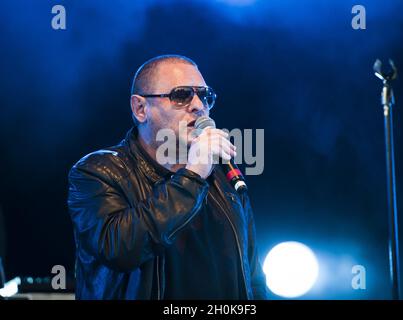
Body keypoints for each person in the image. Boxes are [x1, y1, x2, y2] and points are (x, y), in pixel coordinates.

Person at [67, 54, 266, 300]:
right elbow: (119, 249)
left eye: (204, 96)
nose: (198, 105)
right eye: (181, 95)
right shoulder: (98, 171)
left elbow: (253, 277)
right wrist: (192, 176)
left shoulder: (225, 179)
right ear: (140, 109)